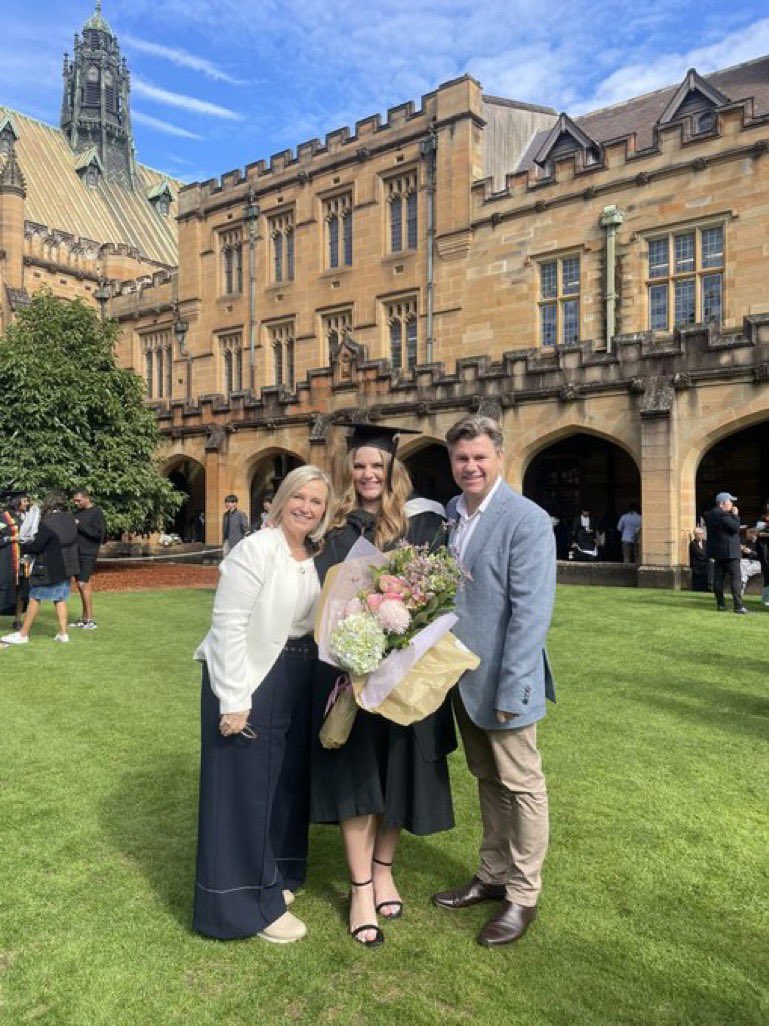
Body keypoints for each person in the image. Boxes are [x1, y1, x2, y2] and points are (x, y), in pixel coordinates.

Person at [311, 423, 455, 947]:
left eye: (379, 466)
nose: (369, 474)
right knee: (357, 779)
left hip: (405, 675)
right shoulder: (332, 530)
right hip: (348, 677)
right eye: (361, 465)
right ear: (350, 471)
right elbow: (324, 603)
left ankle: (385, 865)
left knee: (396, 775)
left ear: (393, 471)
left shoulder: (420, 527)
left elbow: (434, 598)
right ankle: (360, 887)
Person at [192, 465, 334, 944]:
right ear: (281, 498)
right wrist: (233, 699)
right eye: (300, 497)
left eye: (317, 502)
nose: (307, 507)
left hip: (294, 676)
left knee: (279, 787)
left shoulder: (308, 552)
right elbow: (229, 623)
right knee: (245, 793)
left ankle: (274, 876)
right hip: (250, 677)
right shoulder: (256, 548)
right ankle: (243, 904)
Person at [432, 415, 556, 949]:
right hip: (459, 677)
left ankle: (523, 896)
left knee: (523, 786)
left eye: (480, 457)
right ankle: (492, 874)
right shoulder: (449, 515)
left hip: (505, 680)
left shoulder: (524, 519)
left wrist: (513, 687)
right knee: (487, 778)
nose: (470, 467)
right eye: (462, 458)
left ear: (499, 456)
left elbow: (531, 613)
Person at [1, 491, 79, 645]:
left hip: (48, 567)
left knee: (34, 598)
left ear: (49, 505)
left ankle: (23, 634)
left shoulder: (48, 523)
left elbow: (37, 545)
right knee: (60, 599)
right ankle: (63, 634)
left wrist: (24, 545)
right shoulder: (70, 519)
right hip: (68, 566)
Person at [703, 491, 747, 614]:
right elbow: (735, 528)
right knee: (735, 578)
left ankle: (721, 604)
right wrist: (735, 515)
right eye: (730, 502)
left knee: (718, 579)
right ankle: (738, 606)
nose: (732, 504)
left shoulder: (710, 514)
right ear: (723, 503)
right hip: (730, 552)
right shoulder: (723, 515)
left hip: (717, 552)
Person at [70, 489, 106, 630]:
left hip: (88, 553)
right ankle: (84, 618)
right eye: (74, 500)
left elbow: (99, 535)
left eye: (78, 500)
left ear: (86, 498)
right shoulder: (76, 513)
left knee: (83, 583)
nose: (76, 503)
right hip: (76, 553)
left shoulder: (96, 512)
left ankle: (90, 620)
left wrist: (79, 524)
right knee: (80, 585)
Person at [739, 528, 762, 597]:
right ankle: (742, 582)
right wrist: (742, 549)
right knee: (740, 562)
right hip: (751, 561)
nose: (746, 535)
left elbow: (762, 555)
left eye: (747, 534)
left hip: (760, 563)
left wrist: (751, 552)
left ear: (753, 534)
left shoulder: (760, 542)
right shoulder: (748, 542)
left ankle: (743, 582)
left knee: (745, 571)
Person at [689, 526, 710, 592]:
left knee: (704, 580)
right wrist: (707, 556)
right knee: (697, 581)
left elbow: (709, 551)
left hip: (705, 565)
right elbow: (699, 553)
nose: (701, 536)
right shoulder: (693, 544)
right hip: (697, 566)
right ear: (695, 535)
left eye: (702, 534)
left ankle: (705, 589)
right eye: (699, 534)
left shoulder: (705, 542)